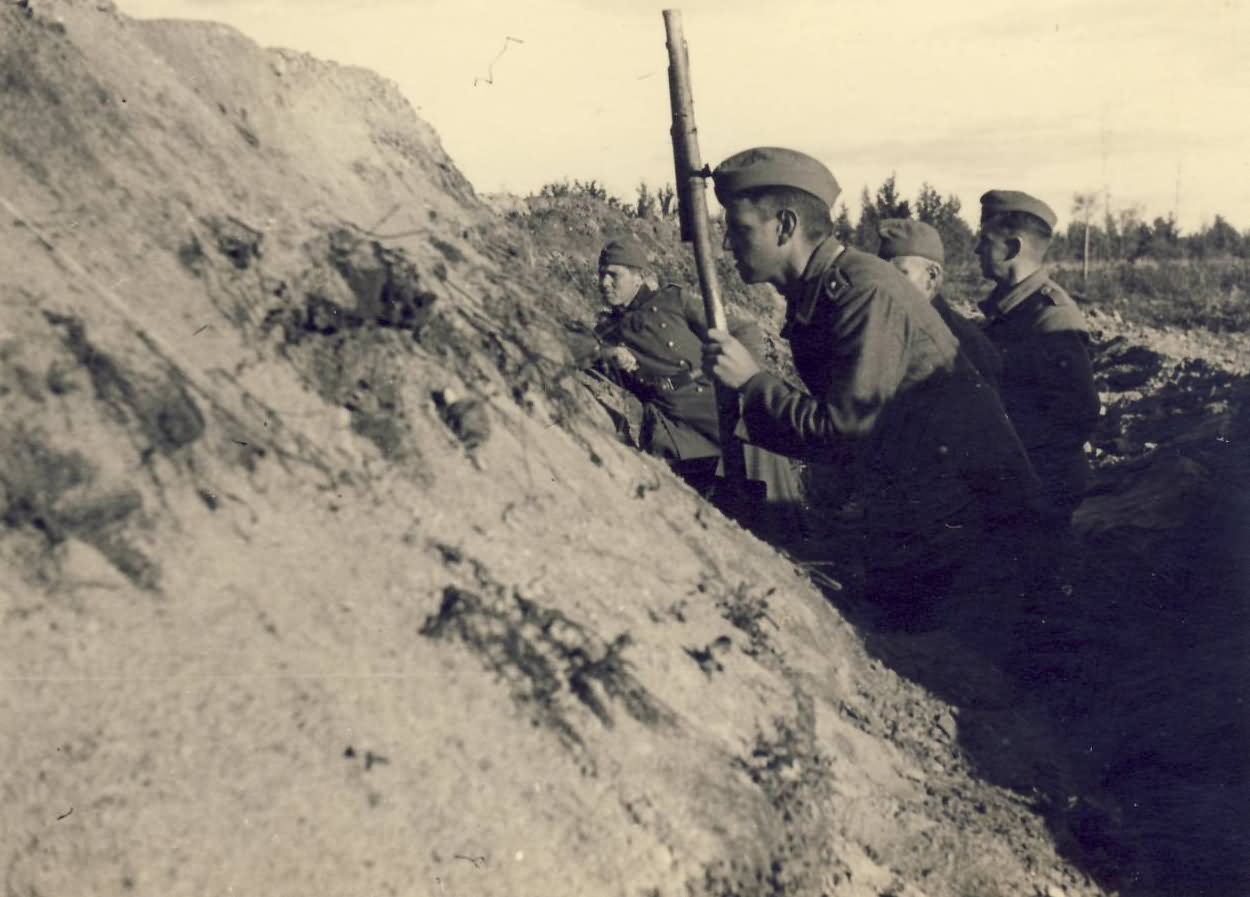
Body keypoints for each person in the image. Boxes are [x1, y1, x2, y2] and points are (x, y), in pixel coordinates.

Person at [701, 147, 1040, 631]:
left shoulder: (862, 291)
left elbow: (845, 430)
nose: (728, 245)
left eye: (739, 229)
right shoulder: (823, 289)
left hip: (977, 532)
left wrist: (753, 385)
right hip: (924, 511)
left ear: (783, 226)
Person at [582, 236, 805, 538]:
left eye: (614, 275)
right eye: (601, 274)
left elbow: (743, 329)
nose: (604, 283)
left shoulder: (674, 301)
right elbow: (574, 346)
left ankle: (790, 542)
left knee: (761, 451)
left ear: (638, 277)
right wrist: (610, 354)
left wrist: (742, 379)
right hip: (673, 423)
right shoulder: (607, 330)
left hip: (714, 400)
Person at [975, 191, 1101, 526]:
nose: (976, 250)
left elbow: (1078, 415)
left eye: (984, 241)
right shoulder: (1011, 308)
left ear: (1013, 248)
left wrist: (1023, 475)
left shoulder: (1050, 318)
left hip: (1040, 491)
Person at [876, 218, 1002, 388]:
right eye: (882, 274)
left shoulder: (964, 341)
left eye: (900, 274)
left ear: (932, 276)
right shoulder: (880, 326)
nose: (887, 284)